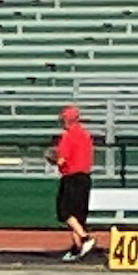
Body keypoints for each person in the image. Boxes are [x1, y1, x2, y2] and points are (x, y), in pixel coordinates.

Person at [49, 105, 95, 262]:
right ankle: (77, 248)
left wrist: (53, 159)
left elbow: (62, 159)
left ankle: (84, 238)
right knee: (78, 215)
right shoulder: (86, 135)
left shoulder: (68, 136)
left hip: (71, 177)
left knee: (64, 212)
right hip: (85, 177)